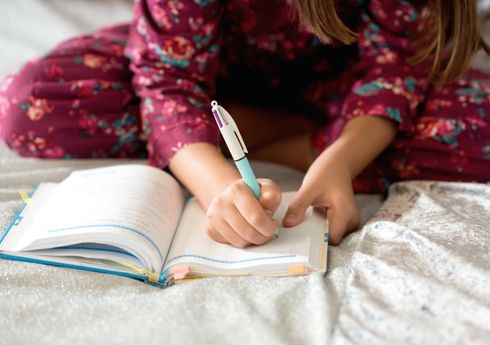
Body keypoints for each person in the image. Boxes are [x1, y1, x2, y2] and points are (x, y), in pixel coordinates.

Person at [0, 0, 488, 247]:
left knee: (478, 128)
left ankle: (268, 134)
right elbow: (167, 78)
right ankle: (278, 132)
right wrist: (217, 185)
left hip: (344, 85)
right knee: (30, 104)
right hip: (207, 70)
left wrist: (340, 160)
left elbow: (394, 67)